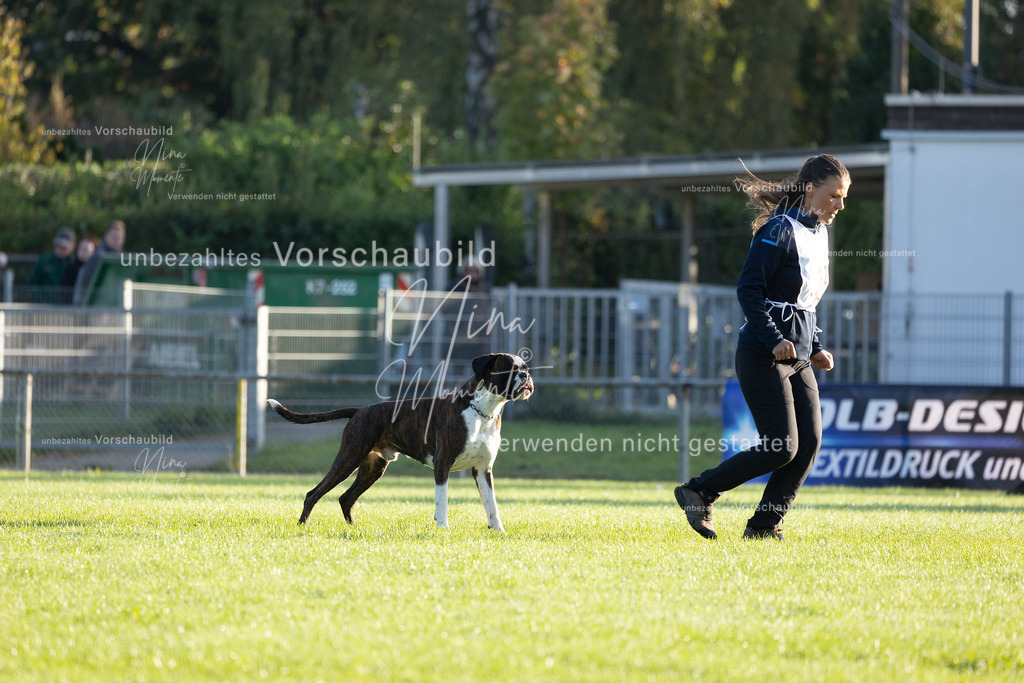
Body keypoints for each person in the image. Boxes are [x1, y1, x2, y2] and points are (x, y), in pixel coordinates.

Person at [675, 154, 850, 541]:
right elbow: (749, 290)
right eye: (834, 195)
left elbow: (802, 301)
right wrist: (774, 341)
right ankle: (699, 491)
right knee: (782, 446)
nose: (839, 205)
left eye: (843, 197)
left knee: (809, 444)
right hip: (761, 353)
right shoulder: (777, 229)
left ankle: (763, 525)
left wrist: (815, 345)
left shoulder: (819, 233)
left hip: (799, 357)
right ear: (810, 189)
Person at [73, 220, 126, 305]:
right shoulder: (97, 257)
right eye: (114, 237)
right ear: (106, 236)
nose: (117, 240)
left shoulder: (123, 258)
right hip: (96, 304)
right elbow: (85, 282)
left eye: (120, 238)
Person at [28, 227, 76, 303]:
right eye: (57, 246)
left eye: (63, 247)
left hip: (69, 308)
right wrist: (42, 300)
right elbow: (33, 283)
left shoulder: (75, 263)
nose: (59, 249)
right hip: (46, 308)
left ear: (72, 246)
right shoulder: (44, 260)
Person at [59, 236, 98, 304]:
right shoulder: (69, 269)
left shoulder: (96, 269)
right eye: (81, 248)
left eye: (86, 249)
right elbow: (64, 291)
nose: (83, 252)